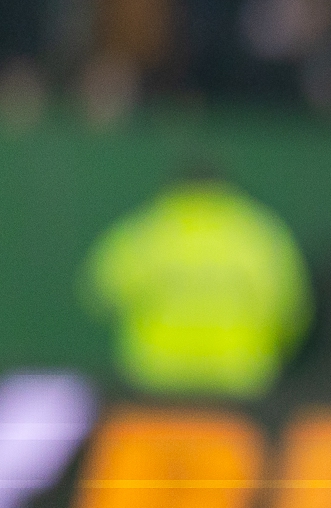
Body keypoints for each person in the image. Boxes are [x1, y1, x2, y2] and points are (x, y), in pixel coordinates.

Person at [81, 168, 310, 399]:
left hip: (157, 380)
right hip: (237, 383)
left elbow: (101, 296)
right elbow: (291, 311)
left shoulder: (144, 230)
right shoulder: (259, 234)